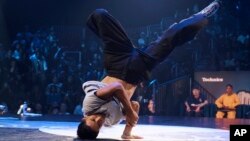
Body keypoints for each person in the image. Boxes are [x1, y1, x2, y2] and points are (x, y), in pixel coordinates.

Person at [78, 1, 220, 139]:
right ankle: (201, 16)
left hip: (117, 63)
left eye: (93, 119)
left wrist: (129, 112)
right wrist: (127, 131)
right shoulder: (111, 121)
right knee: (169, 39)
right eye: (99, 124)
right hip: (138, 70)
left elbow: (116, 87)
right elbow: (134, 105)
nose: (98, 119)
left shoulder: (89, 105)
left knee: (100, 15)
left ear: (84, 118)